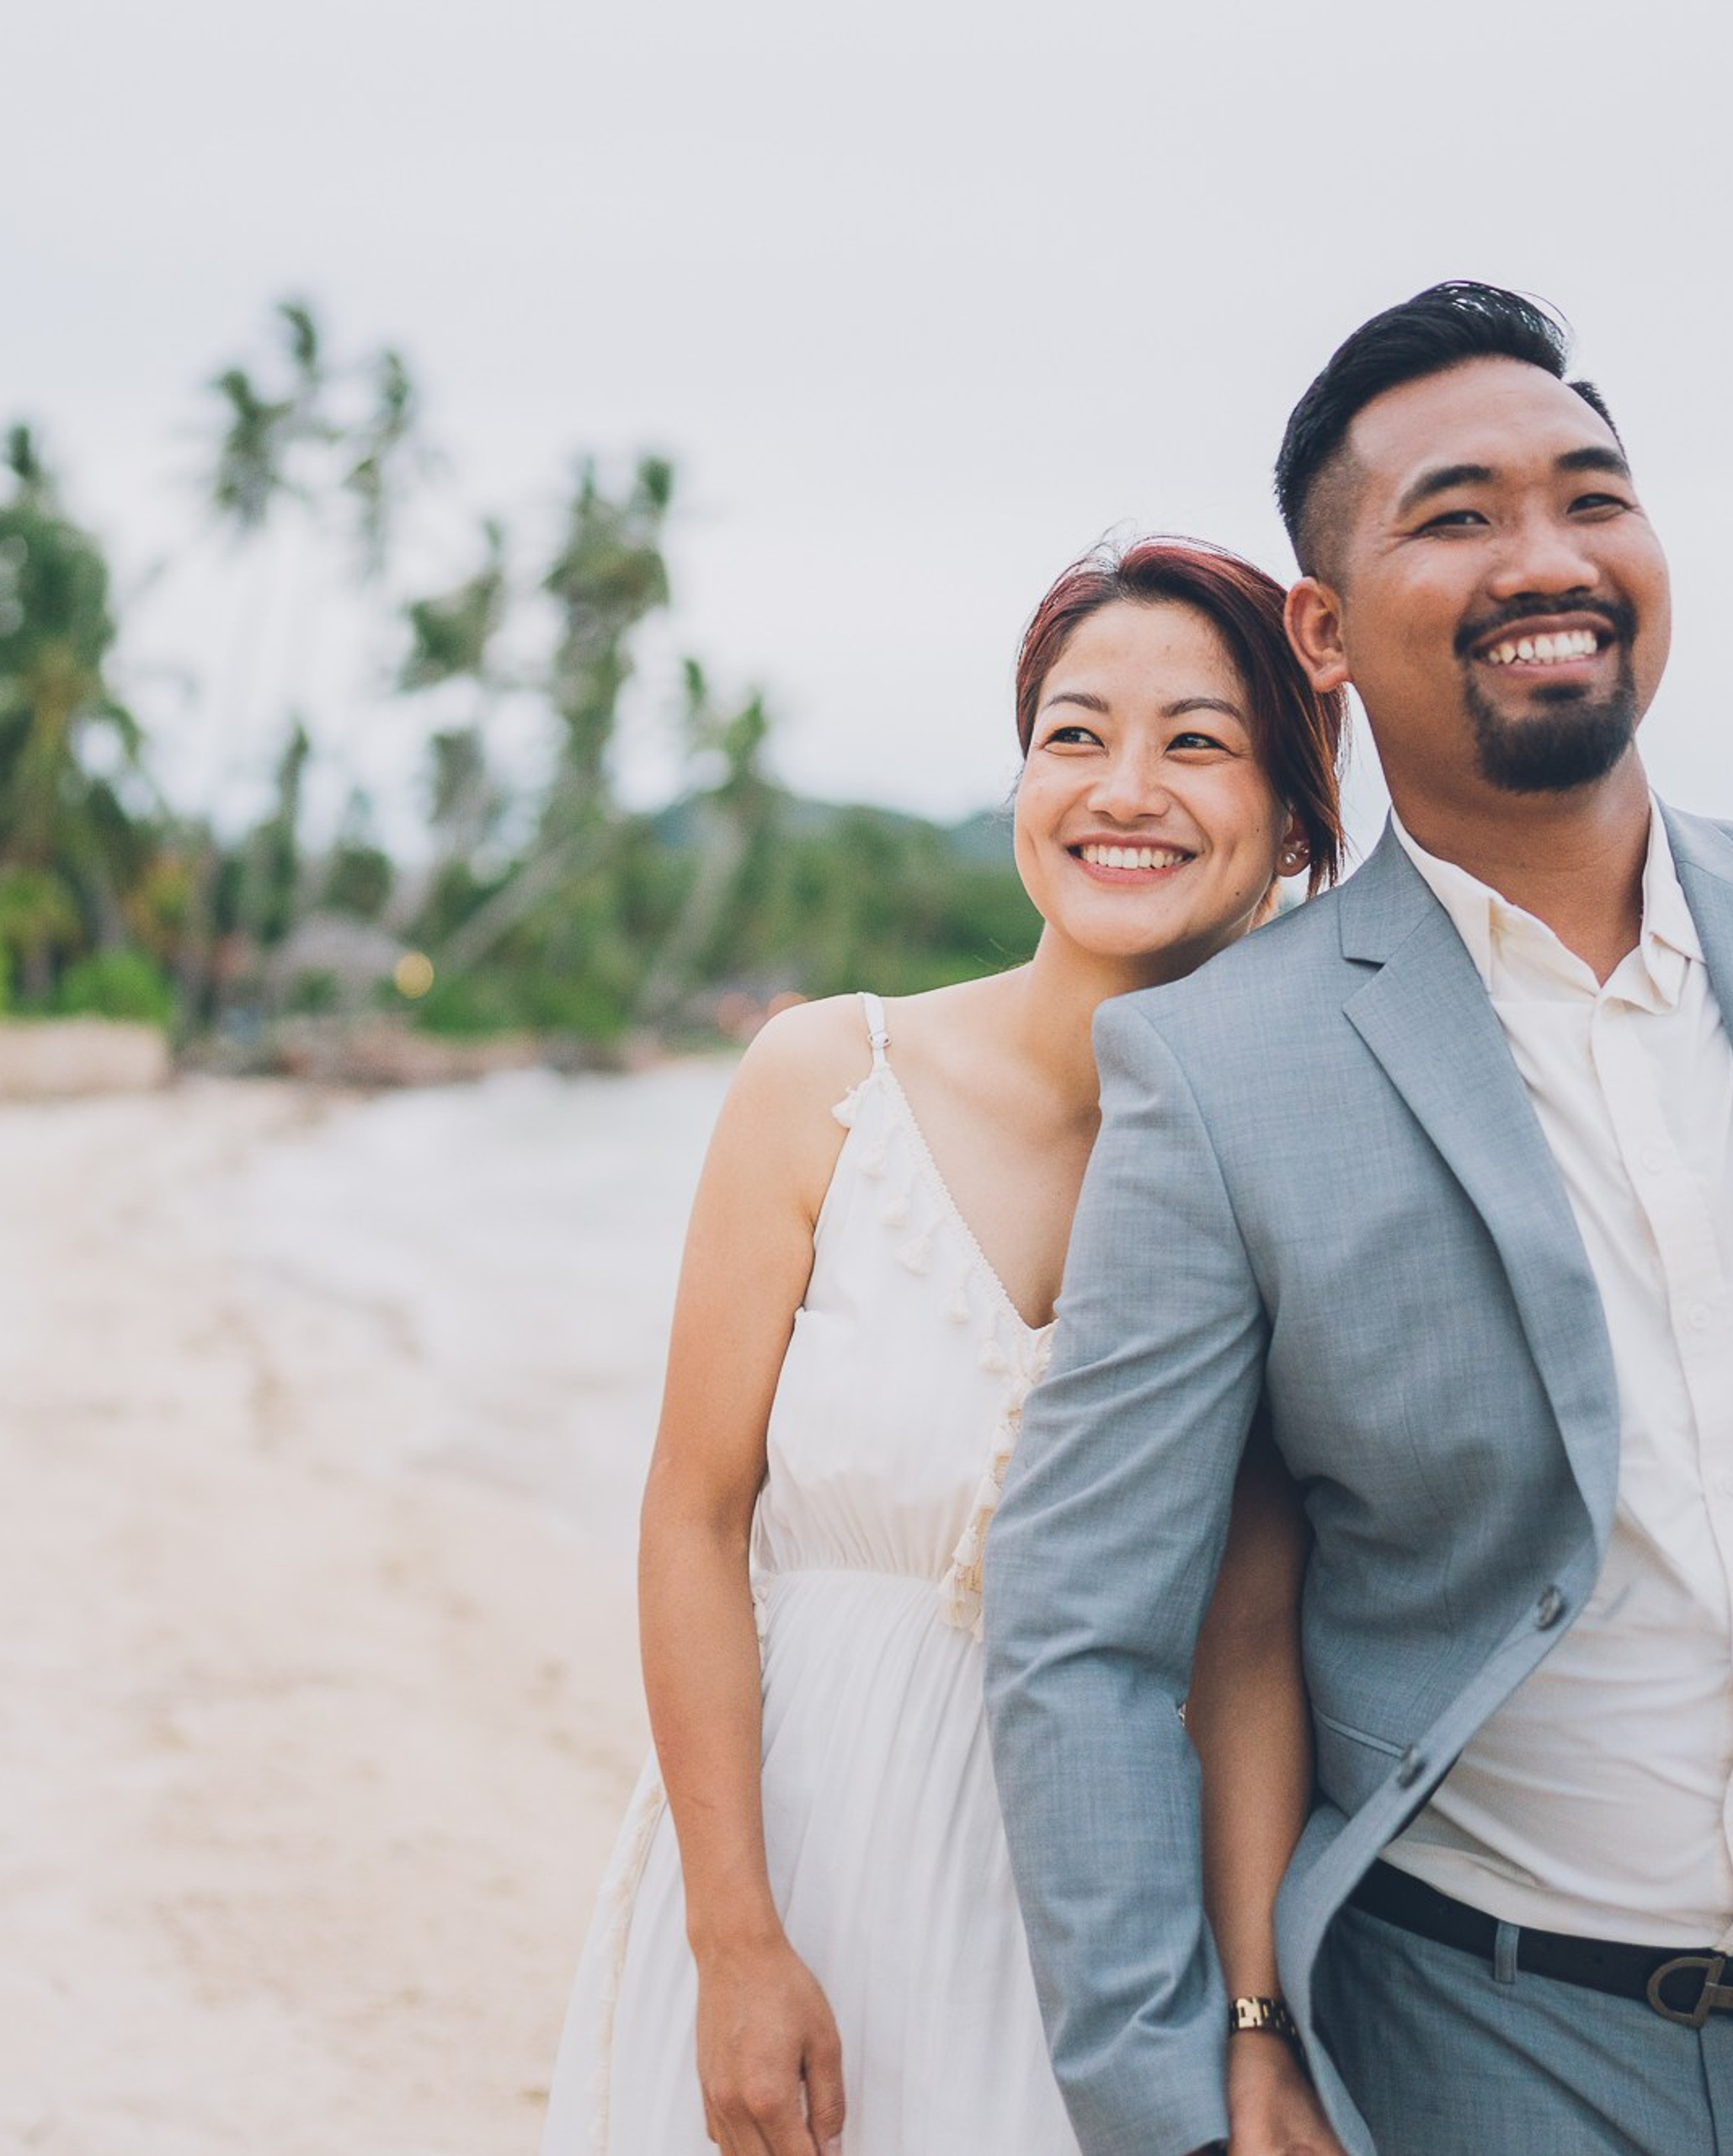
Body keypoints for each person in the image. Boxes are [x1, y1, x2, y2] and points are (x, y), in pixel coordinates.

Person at [984, 278, 1733, 2156]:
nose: (1540, 556)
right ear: (1317, 628)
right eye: (1454, 515)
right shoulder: (1221, 1073)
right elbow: (1086, 1634)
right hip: (1476, 2043)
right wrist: (1182, 2093)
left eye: (1589, 493)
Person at [540, 537, 1348, 2156]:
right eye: (1074, 732)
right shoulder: (824, 1081)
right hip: (801, 1865)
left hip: (1102, 1939)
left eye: (1199, 742)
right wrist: (734, 1939)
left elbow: (1250, 1634)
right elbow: (692, 1519)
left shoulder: (1296, 1161)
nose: (1126, 788)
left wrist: (1257, 2024)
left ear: (1293, 813)